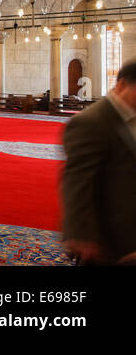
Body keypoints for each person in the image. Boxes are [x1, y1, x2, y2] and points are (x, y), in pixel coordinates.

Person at [60, 60, 136, 264]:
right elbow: (77, 179)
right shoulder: (91, 121)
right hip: (109, 242)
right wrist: (81, 234)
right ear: (121, 85)